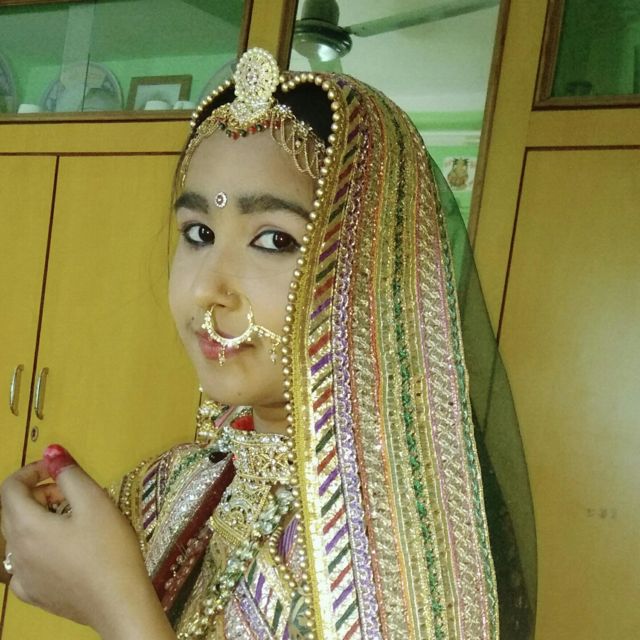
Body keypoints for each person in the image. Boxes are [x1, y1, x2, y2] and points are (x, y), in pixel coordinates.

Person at [0, 48, 535, 639]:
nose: (206, 289)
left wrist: (115, 605)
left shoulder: (409, 555)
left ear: (374, 273)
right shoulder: (189, 482)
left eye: (274, 240)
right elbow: (48, 548)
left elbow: (105, 586)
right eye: (198, 233)